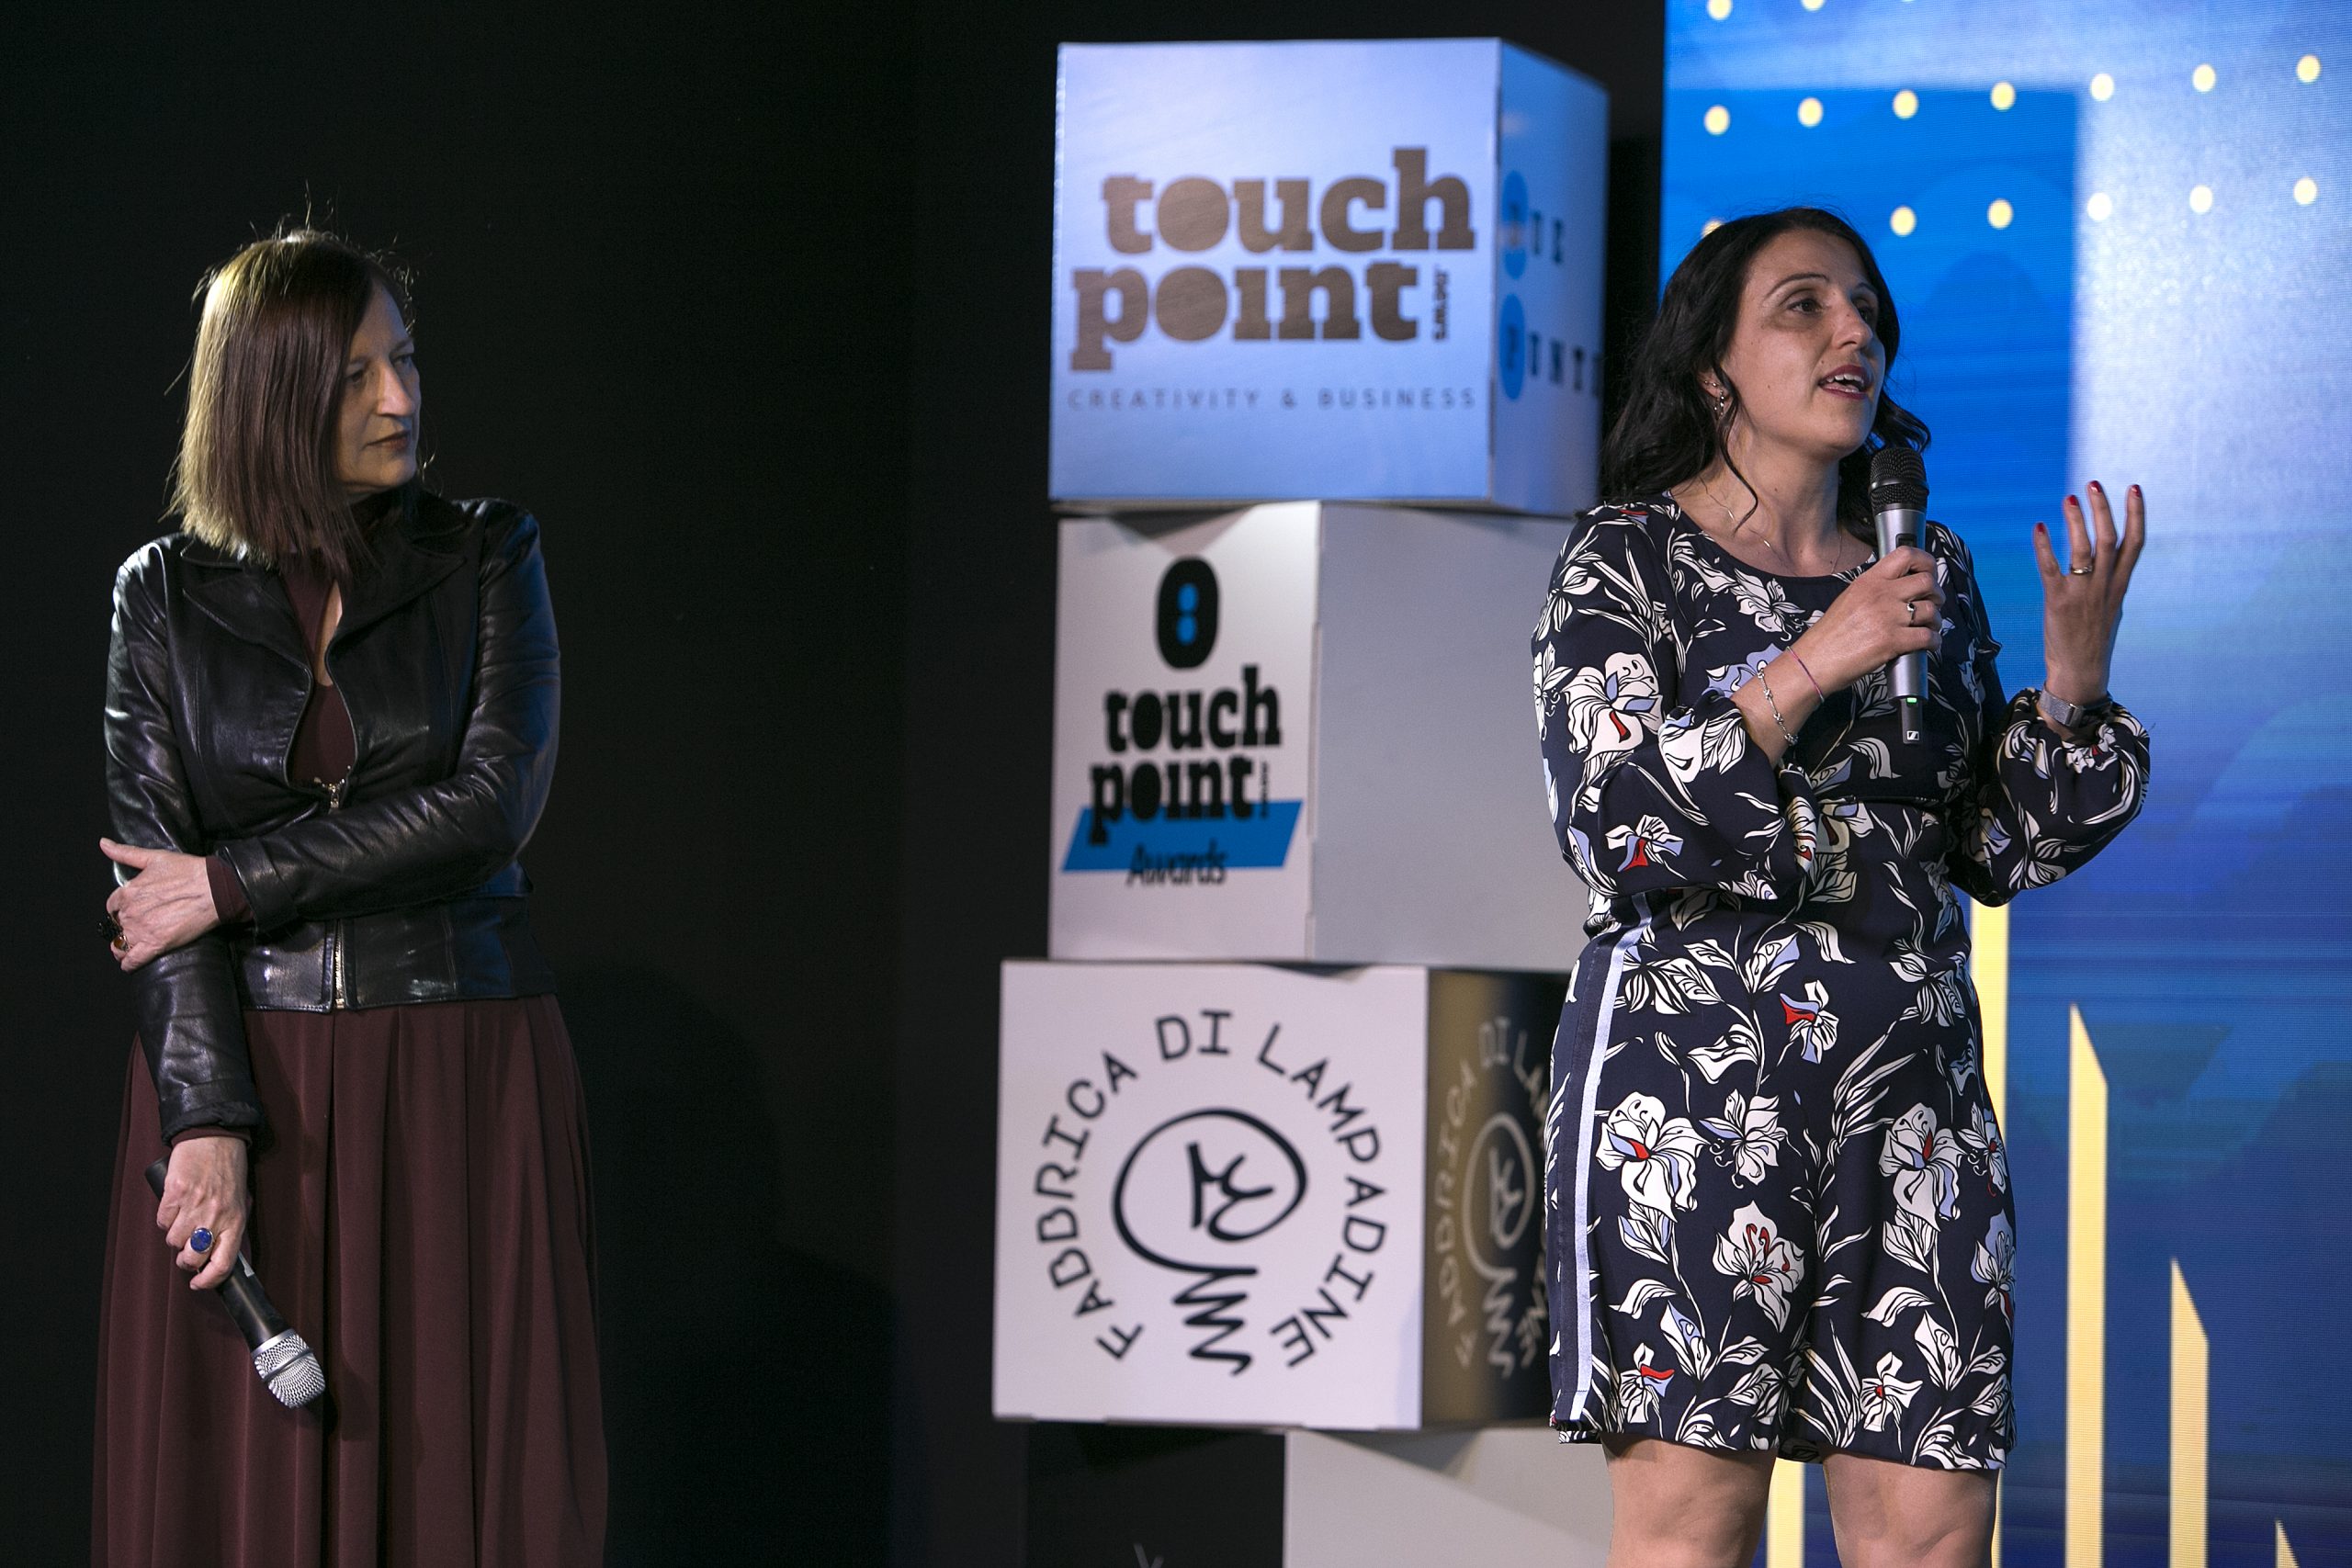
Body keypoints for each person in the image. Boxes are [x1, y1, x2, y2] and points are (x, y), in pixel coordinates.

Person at [1532, 207, 2148, 1568]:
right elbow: (1612, 816)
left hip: (1915, 1105)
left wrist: (2072, 687)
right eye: (1803, 305)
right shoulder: (1627, 558)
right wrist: (1821, 655)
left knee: (1931, 1534)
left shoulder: (1927, 569)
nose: (1852, 331)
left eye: (1865, 306)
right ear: (1712, 365)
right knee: (1692, 1529)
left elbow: (1995, 849)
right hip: (1696, 1101)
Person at [93, 228, 605, 1566]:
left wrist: (235, 880)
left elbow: (490, 810)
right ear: (271, 395)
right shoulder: (161, 597)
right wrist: (207, 1124)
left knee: (463, 1471)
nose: (400, 397)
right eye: (357, 373)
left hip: (455, 1072)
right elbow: (153, 896)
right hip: (249, 1077)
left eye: (406, 359)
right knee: (240, 1491)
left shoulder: (487, 554)